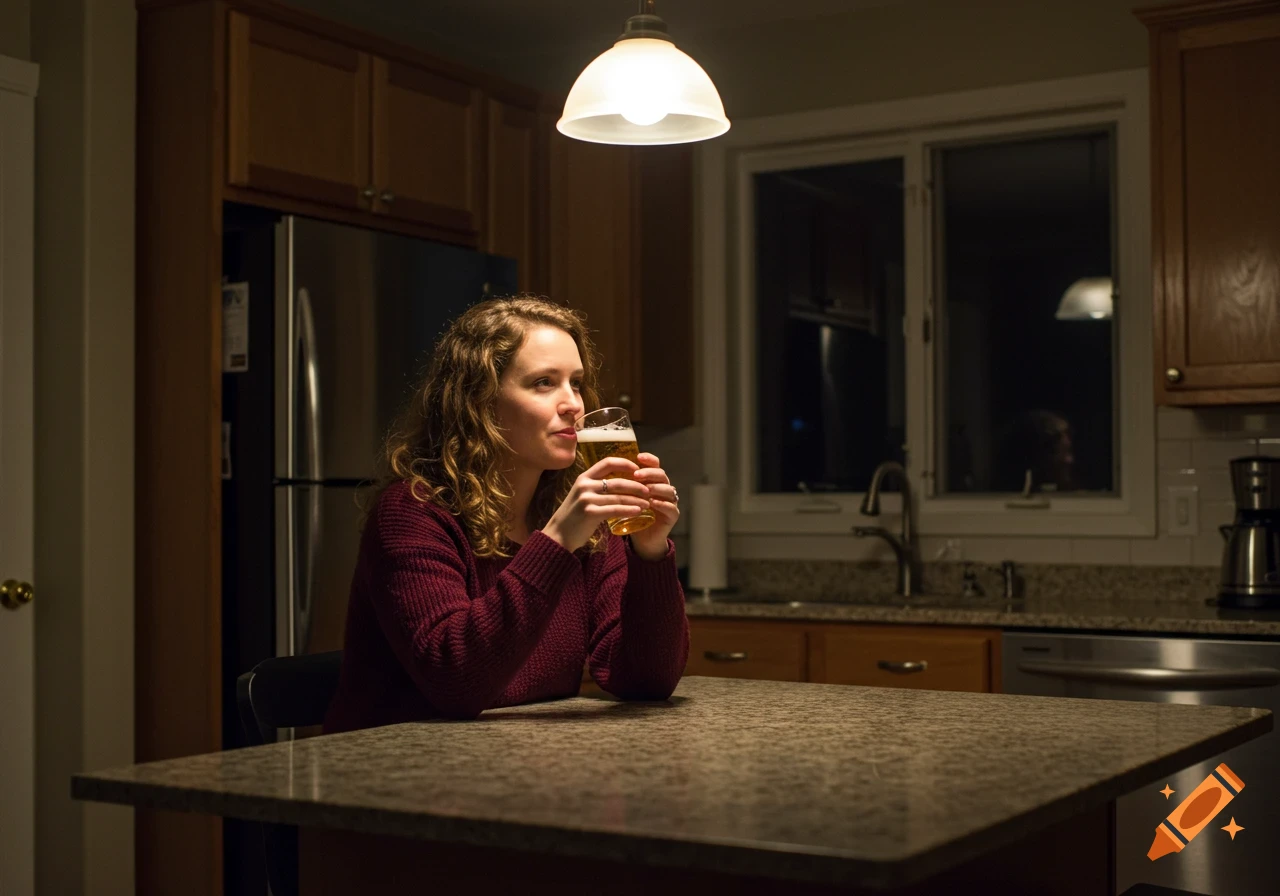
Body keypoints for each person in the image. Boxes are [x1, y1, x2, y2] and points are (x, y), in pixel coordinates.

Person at [323, 296, 689, 731]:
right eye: (543, 383)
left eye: (577, 383)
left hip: (517, 768)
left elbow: (647, 681)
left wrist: (649, 554)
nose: (573, 403)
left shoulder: (580, 519)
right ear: (480, 402)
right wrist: (555, 543)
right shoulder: (413, 513)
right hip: (396, 774)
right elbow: (458, 682)